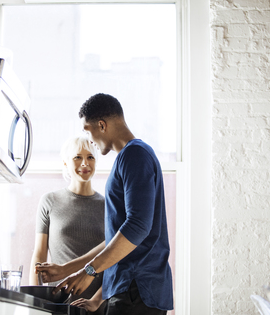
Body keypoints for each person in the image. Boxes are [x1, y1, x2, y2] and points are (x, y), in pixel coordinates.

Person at [37, 93, 173, 315]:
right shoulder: (130, 157)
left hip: (136, 290)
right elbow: (117, 237)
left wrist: (90, 271)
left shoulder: (134, 156)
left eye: (88, 131)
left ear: (101, 125)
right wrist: (69, 270)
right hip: (128, 290)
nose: (89, 140)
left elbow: (137, 227)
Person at [29, 136, 107, 315]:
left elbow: (114, 260)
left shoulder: (108, 207)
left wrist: (98, 299)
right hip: (57, 303)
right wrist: (34, 304)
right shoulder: (49, 201)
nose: (85, 163)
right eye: (77, 157)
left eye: (90, 157)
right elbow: (39, 254)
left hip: (96, 306)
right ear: (65, 163)